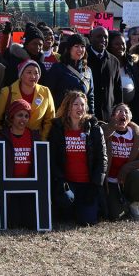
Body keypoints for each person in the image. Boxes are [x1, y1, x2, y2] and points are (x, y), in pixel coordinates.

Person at [47, 91, 106, 226]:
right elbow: (52, 158)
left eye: (83, 105)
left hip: (88, 184)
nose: (80, 108)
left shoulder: (95, 129)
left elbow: (102, 159)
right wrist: (60, 180)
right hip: (68, 184)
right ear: (68, 107)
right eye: (76, 104)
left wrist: (96, 184)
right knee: (65, 215)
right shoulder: (58, 128)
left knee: (87, 221)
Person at [101, 104, 139, 222]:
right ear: (112, 116)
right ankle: (121, 205)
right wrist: (111, 127)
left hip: (128, 179)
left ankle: (134, 206)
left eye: (126, 112)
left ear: (129, 118)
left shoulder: (138, 135)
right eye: (119, 111)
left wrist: (126, 169)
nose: (123, 114)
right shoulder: (104, 131)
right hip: (110, 182)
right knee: (115, 216)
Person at [0, 99, 40, 228]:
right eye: (20, 115)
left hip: (28, 188)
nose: (23, 119)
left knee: (31, 223)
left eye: (26, 116)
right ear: (12, 116)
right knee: (12, 223)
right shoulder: (1, 137)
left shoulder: (34, 136)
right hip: (9, 189)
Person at [0, 60, 54, 139]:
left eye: (36, 73)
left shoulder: (45, 92)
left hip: (36, 140)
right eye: (29, 72)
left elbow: (50, 119)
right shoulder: (7, 92)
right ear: (21, 75)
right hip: (11, 141)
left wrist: (42, 140)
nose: (33, 76)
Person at [42, 32, 95, 114]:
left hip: (80, 118)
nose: (80, 49)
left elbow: (90, 97)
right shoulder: (58, 68)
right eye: (76, 46)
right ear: (69, 48)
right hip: (61, 118)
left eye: (82, 46)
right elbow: (48, 95)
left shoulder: (88, 71)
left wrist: (91, 116)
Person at [86, 26, 123, 122]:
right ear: (91, 38)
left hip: (108, 115)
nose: (103, 39)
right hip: (87, 114)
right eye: (99, 36)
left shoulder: (114, 61)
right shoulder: (83, 58)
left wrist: (118, 111)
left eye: (105, 37)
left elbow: (118, 90)